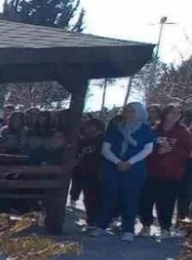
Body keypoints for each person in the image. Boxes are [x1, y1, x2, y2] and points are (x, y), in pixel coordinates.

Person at [96, 103, 157, 241]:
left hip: (134, 169)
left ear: (140, 114)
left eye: (132, 112)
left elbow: (147, 149)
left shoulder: (145, 130)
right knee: (107, 197)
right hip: (112, 168)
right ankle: (101, 225)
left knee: (130, 199)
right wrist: (118, 162)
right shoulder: (115, 128)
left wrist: (130, 163)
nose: (128, 114)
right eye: (127, 111)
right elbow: (105, 149)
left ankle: (128, 229)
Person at [140, 105, 191, 238]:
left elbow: (187, 152)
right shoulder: (155, 129)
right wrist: (157, 151)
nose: (174, 115)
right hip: (151, 171)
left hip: (171, 173)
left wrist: (172, 150)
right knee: (146, 199)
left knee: (166, 202)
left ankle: (165, 228)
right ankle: (146, 226)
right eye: (171, 112)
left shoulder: (183, 132)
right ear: (165, 113)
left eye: (178, 113)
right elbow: (145, 147)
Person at [73, 118, 105, 230]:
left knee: (98, 197)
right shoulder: (83, 141)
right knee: (88, 197)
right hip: (85, 171)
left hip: (100, 172)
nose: (87, 128)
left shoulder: (102, 140)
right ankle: (91, 221)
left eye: (90, 125)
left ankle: (99, 221)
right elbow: (78, 155)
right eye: (86, 125)